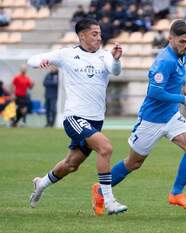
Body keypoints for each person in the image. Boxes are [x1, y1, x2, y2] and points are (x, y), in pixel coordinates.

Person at [92, 20, 186, 216]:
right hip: (151, 120)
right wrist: (182, 98)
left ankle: (176, 193)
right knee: (133, 163)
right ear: (170, 39)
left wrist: (182, 88)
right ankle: (100, 191)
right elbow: (154, 93)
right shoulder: (163, 61)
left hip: (171, 116)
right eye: (182, 41)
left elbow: (181, 74)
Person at [27, 18, 127, 215]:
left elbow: (115, 71)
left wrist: (116, 59)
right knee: (105, 148)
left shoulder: (105, 56)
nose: (99, 37)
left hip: (95, 120)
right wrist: (41, 62)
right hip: (74, 117)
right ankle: (109, 200)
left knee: (71, 164)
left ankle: (41, 183)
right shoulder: (67, 54)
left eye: (100, 34)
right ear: (82, 35)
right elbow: (31, 60)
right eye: (94, 34)